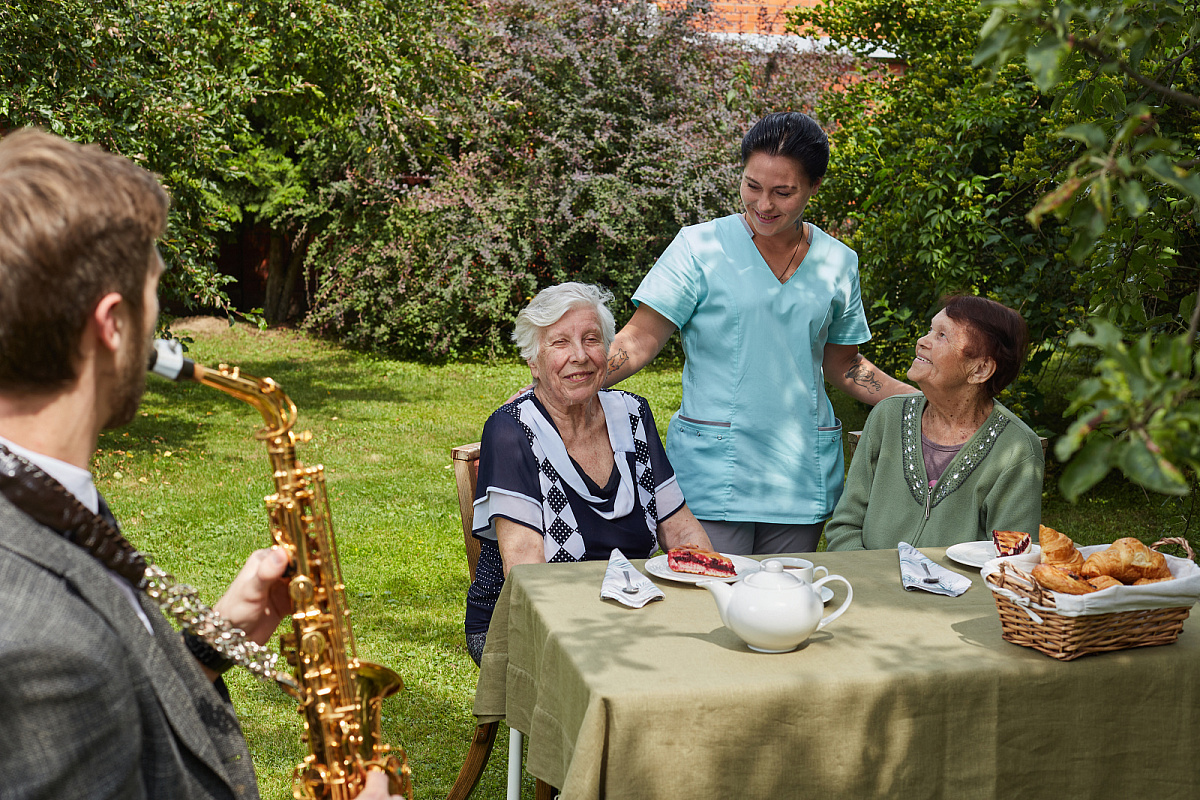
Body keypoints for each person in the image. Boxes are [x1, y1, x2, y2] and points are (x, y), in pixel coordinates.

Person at [0, 129, 398, 799]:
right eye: (156, 300)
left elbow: (115, 723)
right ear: (113, 324)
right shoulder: (39, 650)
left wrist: (209, 647)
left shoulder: (40, 490)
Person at [602, 111, 915, 556]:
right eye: (752, 186)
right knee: (710, 602)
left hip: (798, 474)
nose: (764, 205)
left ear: (814, 187)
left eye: (783, 192)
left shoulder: (838, 262)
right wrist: (573, 381)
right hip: (715, 472)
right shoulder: (699, 247)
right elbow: (639, 339)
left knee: (785, 610)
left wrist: (919, 401)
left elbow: (845, 364)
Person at [465, 283, 714, 665]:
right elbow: (528, 575)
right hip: (532, 621)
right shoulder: (512, 430)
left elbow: (679, 530)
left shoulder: (634, 415)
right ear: (533, 361)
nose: (579, 356)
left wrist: (712, 589)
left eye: (591, 339)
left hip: (638, 607)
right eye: (560, 343)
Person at [824, 295, 1044, 551]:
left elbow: (1010, 560)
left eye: (942, 336)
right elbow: (845, 527)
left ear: (980, 369)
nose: (922, 341)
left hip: (963, 590)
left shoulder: (1016, 448)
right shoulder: (887, 416)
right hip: (871, 585)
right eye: (931, 329)